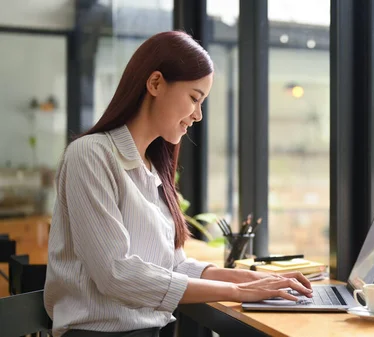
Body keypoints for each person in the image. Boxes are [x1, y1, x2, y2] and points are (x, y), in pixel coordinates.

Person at [44, 31, 313, 337]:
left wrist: (256, 280)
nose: (197, 115)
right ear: (155, 83)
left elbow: (173, 266)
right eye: (194, 98)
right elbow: (115, 274)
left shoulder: (152, 168)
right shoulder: (91, 155)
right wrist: (241, 292)